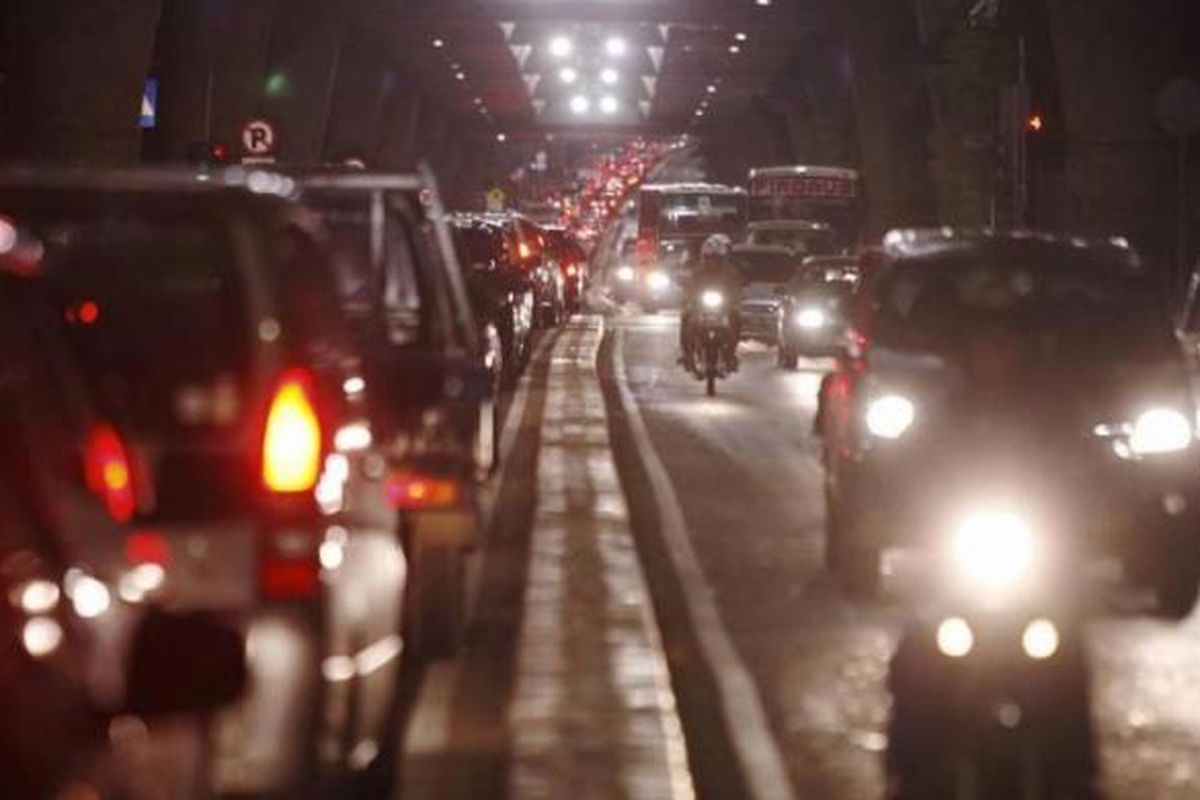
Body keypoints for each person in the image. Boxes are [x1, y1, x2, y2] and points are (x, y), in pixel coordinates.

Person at [679, 233, 742, 371]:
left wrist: (736, 299)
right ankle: (687, 354)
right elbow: (690, 286)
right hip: (700, 306)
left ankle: (731, 354)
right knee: (686, 318)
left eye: (716, 259)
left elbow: (736, 287)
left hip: (723, 307)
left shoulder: (730, 271)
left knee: (736, 319)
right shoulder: (698, 271)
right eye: (709, 258)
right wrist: (689, 299)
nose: (712, 262)